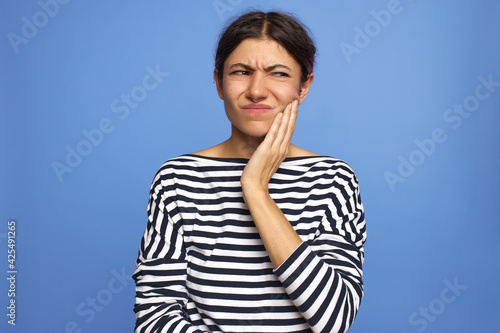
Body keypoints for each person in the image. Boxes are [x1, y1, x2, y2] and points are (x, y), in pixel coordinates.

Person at [133, 10, 366, 333]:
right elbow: (154, 318)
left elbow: (334, 318)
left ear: (304, 86)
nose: (256, 90)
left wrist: (256, 190)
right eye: (241, 72)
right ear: (218, 82)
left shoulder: (333, 180)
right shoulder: (177, 180)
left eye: (278, 74)